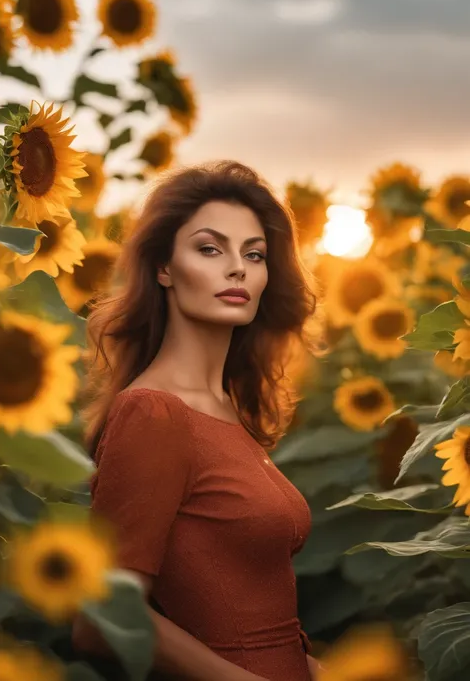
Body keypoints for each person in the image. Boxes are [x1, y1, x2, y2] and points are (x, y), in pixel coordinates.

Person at [72, 161, 319, 681]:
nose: (238, 269)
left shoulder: (229, 408)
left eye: (254, 254)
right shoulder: (154, 412)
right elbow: (102, 620)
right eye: (210, 249)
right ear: (164, 267)